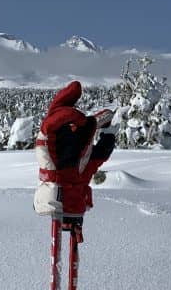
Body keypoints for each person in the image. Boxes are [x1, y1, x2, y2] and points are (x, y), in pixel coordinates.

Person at [33, 80, 116, 218]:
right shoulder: (73, 168)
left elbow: (47, 132)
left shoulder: (70, 167)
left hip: (59, 199)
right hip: (66, 201)